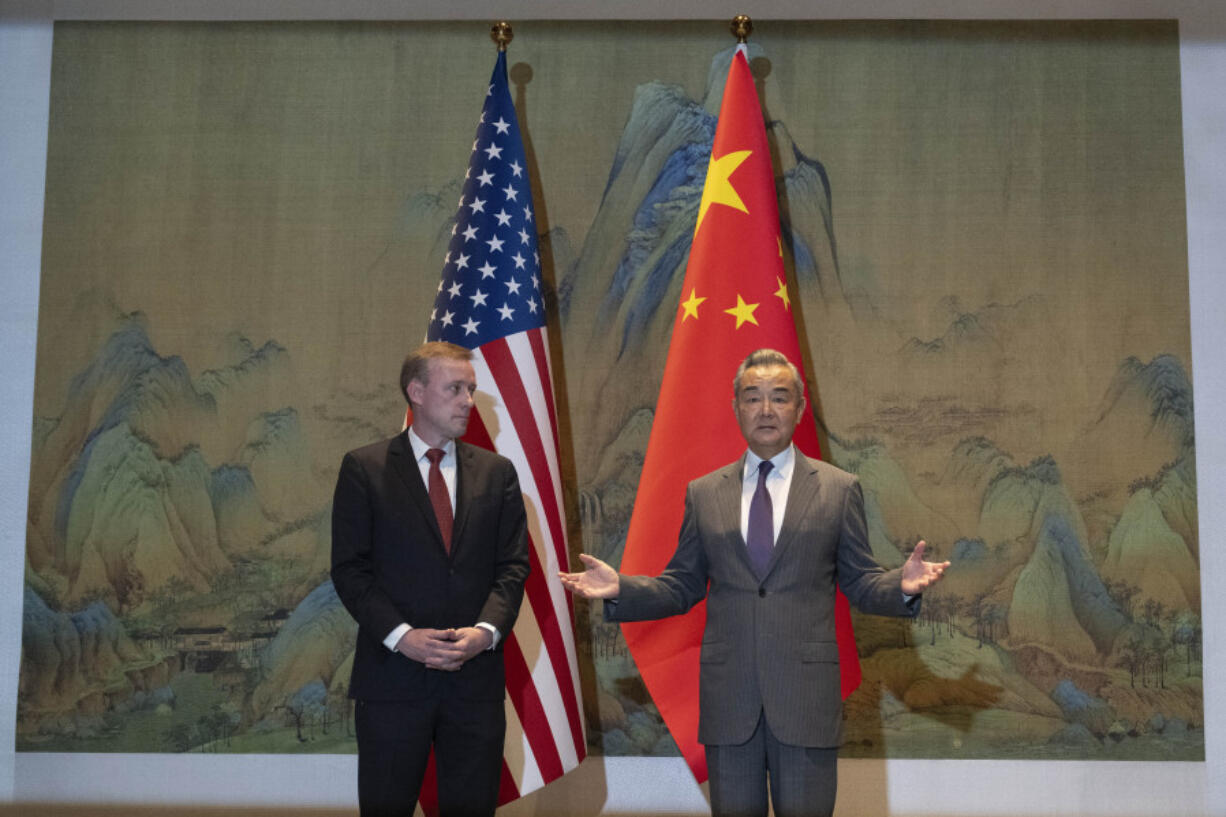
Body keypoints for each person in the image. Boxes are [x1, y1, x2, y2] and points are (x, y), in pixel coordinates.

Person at [560, 348, 948, 817]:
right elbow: (681, 585)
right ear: (736, 408)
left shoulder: (837, 488)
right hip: (731, 705)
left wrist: (901, 586)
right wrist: (622, 587)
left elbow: (862, 583)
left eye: (779, 398)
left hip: (805, 702)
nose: (766, 410)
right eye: (753, 398)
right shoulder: (704, 493)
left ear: (799, 409)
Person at [331, 341, 530, 817]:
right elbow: (350, 569)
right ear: (416, 391)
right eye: (455, 388)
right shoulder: (365, 468)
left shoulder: (498, 474)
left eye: (471, 389)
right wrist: (403, 638)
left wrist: (484, 634)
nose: (468, 400)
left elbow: (512, 568)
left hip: (474, 684)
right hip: (392, 683)